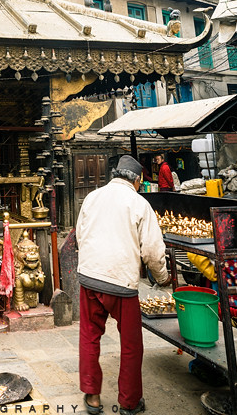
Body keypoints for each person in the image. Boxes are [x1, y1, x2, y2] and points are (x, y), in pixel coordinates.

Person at [76, 154, 171, 415]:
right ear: (137, 180)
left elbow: (80, 235)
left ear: (115, 175)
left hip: (91, 277)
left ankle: (92, 397)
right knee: (131, 343)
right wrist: (163, 278)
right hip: (121, 282)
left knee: (89, 335)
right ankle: (129, 402)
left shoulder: (92, 197)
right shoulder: (139, 203)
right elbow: (152, 251)